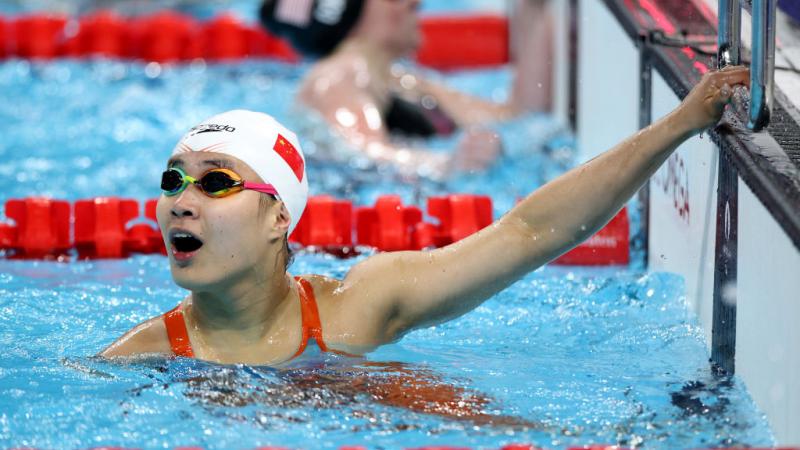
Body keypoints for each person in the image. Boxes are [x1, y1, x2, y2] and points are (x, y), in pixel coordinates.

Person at [100, 66, 749, 366]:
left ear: (279, 218)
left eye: (216, 182)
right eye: (173, 181)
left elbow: (526, 233)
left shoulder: (362, 307)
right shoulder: (138, 358)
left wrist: (681, 123)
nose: (180, 200)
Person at [259, 0, 554, 179]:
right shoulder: (335, 77)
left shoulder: (402, 80)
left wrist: (537, 11)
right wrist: (447, 164)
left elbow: (515, 114)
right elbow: (365, 153)